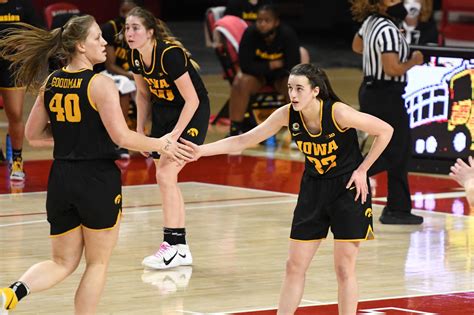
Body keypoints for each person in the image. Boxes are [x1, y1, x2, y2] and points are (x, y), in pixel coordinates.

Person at [0, 15, 193, 313]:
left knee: (61, 262)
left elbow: (32, 135)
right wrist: (161, 143)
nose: (105, 42)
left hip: (61, 180)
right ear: (80, 45)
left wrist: (74, 138)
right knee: (97, 263)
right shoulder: (100, 84)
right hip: (96, 181)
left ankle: (10, 294)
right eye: (96, 38)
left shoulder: (52, 81)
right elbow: (123, 136)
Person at [183, 63, 394, 315]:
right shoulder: (287, 114)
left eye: (299, 89)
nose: (293, 94)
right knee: (294, 265)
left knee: (343, 268)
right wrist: (200, 151)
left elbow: (385, 130)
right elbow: (244, 139)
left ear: (315, 91)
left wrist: (362, 170)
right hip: (313, 190)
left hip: (347, 190)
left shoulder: (338, 113)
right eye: (290, 88)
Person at [125, 7, 210, 269]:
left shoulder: (169, 55)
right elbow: (142, 94)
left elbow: (193, 99)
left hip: (190, 113)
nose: (129, 33)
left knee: (164, 175)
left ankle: (173, 246)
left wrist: (174, 135)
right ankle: (179, 247)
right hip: (164, 114)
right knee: (166, 177)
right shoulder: (136, 56)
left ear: (150, 32)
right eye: (127, 28)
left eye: (136, 28)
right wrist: (139, 131)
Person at [351, 0, 424, 225]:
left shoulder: (371, 23)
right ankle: (347, 179)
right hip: (386, 94)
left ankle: (398, 209)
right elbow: (392, 69)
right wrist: (414, 61)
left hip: (371, 91)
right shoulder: (388, 29)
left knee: (399, 151)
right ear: (380, 4)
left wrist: (372, 50)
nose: (399, 2)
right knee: (395, 150)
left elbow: (357, 46)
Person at [228, 4, 300, 136]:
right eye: (259, 20)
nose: (262, 24)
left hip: (280, 76)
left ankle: (297, 127)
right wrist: (271, 65)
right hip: (258, 77)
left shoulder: (287, 34)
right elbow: (245, 66)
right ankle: (235, 129)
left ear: (276, 22)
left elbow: (292, 65)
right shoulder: (250, 33)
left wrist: (272, 67)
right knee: (240, 82)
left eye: (267, 21)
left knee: (295, 84)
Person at [0, 0, 44, 180]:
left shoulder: (22, 4)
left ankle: (17, 161)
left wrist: (26, 45)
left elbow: (40, 31)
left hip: (11, 66)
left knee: (15, 114)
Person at [100, 0, 142, 159]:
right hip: (107, 73)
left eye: (128, 12)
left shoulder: (142, 29)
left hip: (130, 73)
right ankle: (119, 140)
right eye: (122, 12)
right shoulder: (111, 28)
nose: (124, 16)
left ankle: (148, 134)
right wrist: (132, 75)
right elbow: (110, 65)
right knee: (125, 85)